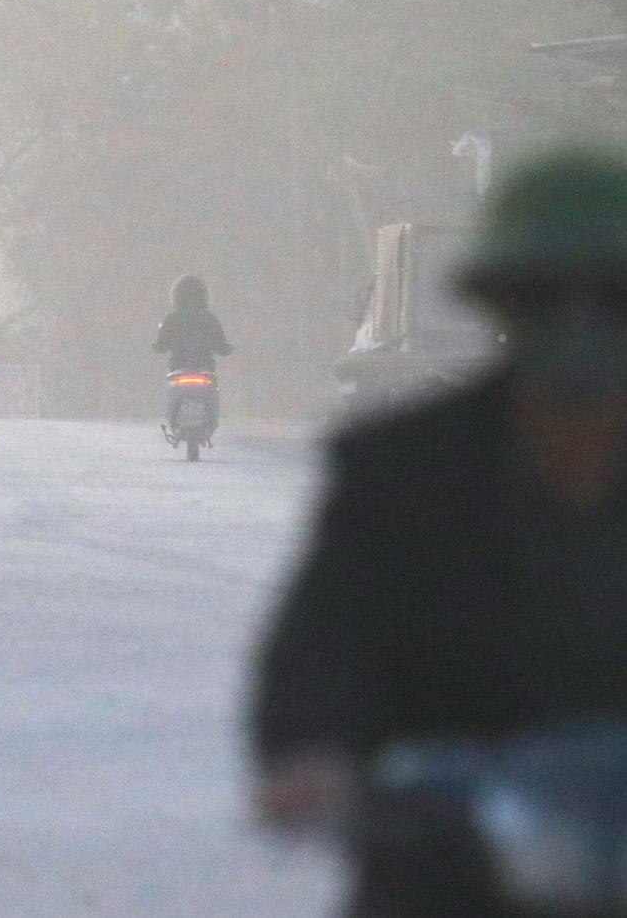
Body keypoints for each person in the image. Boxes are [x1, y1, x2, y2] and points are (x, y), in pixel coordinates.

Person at [249, 147, 627, 917]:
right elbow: (323, 647)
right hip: (451, 859)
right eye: (544, 301)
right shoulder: (403, 470)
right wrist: (312, 758)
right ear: (503, 310)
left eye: (612, 299)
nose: (580, 325)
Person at [153, 274, 233, 374]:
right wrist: (229, 349)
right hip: (205, 369)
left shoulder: (172, 319)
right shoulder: (209, 319)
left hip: (178, 368)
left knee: (170, 389)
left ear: (177, 295)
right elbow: (221, 348)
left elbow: (161, 347)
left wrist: (156, 347)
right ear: (204, 296)